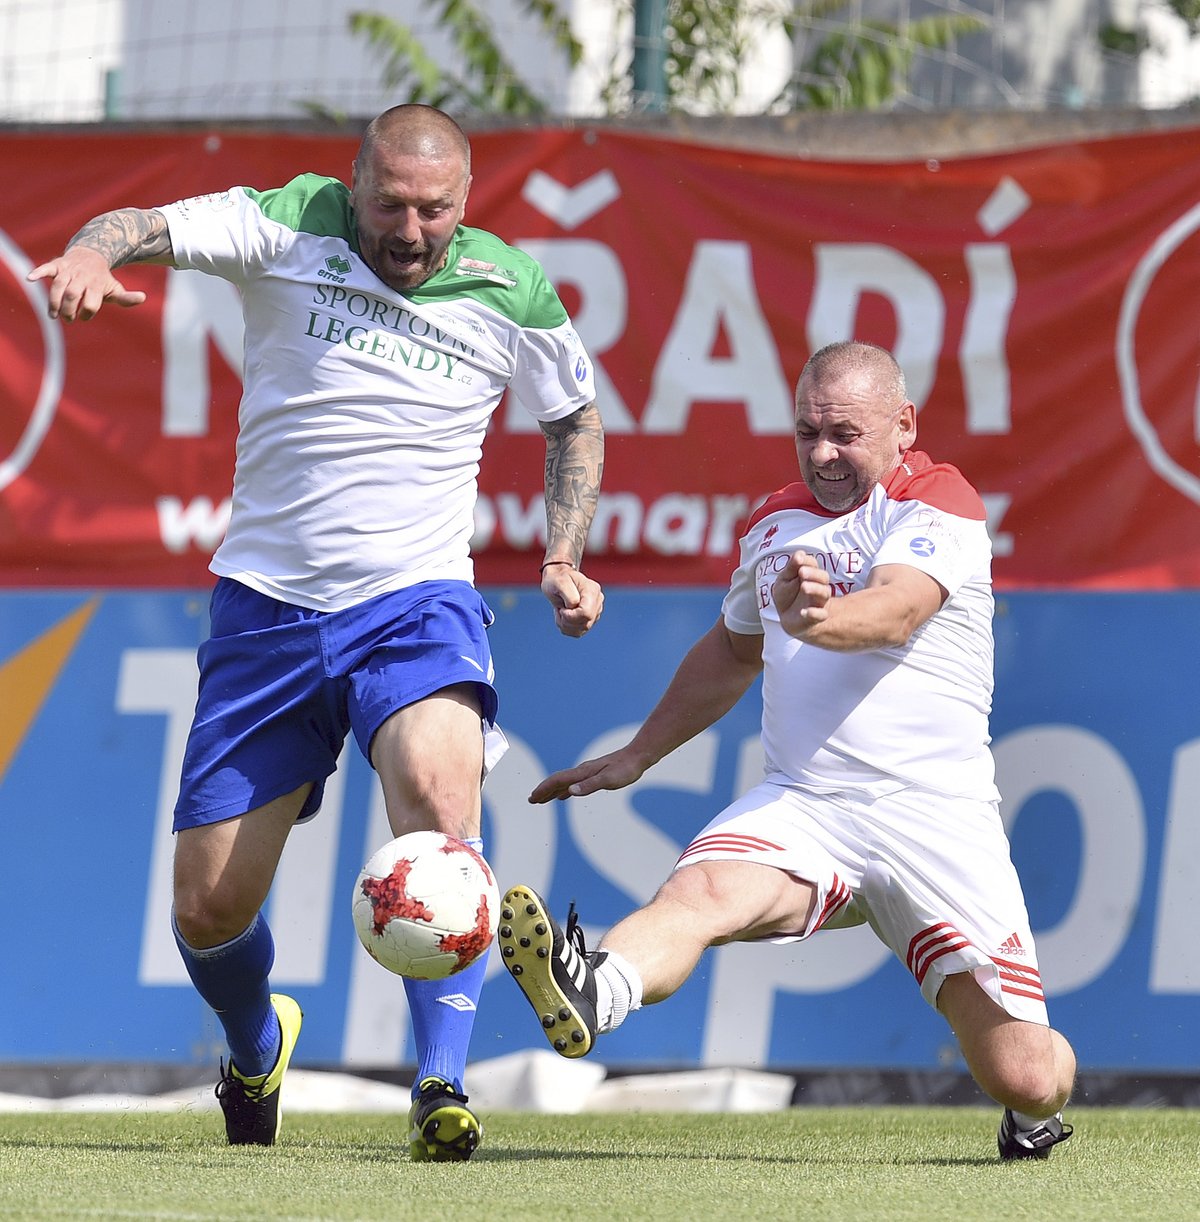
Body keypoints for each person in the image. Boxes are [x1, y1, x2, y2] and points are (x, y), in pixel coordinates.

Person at [29, 104, 605, 1161]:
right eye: (390, 202)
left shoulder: (511, 287)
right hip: (268, 613)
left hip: (417, 604)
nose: (411, 228)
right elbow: (143, 223)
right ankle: (257, 1043)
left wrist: (562, 554)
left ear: (465, 200)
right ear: (355, 182)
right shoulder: (289, 224)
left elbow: (572, 416)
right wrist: (85, 252)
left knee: (441, 808)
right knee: (207, 909)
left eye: (435, 208)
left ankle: (441, 1084)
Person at [498, 340, 1076, 1161]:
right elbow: (734, 651)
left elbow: (896, 612)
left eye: (845, 432)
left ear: (904, 424)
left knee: (1026, 1074)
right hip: (807, 806)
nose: (824, 453)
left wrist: (818, 624)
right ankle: (595, 986)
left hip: (935, 821)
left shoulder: (939, 503)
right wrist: (640, 754)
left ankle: (1037, 1116)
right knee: (697, 893)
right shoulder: (774, 520)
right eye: (808, 432)